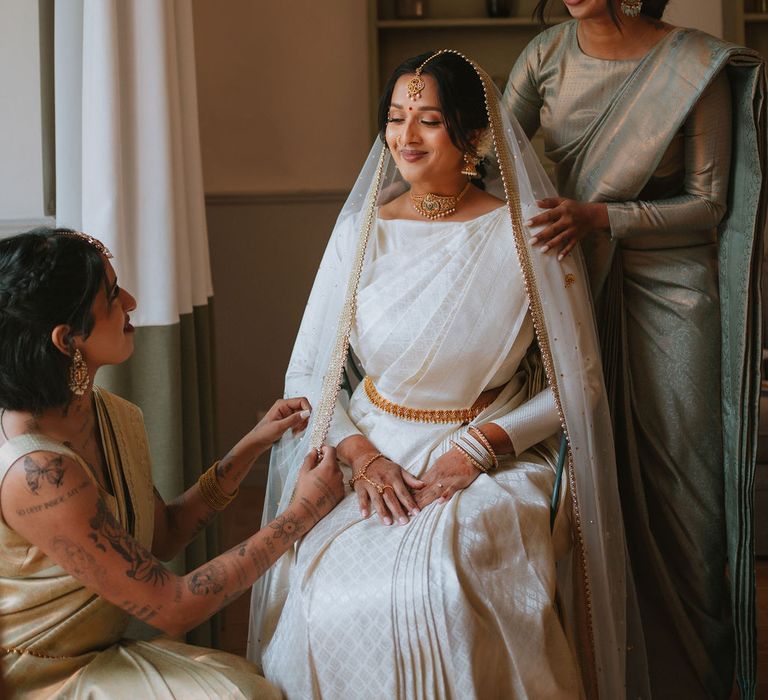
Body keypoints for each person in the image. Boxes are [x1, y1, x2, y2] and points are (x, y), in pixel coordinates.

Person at [248, 49, 640, 699]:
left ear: (476, 135)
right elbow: (309, 371)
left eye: (428, 120)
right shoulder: (361, 231)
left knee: (451, 587)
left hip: (489, 449)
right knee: (327, 591)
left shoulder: (526, 233)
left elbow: (581, 385)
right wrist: (362, 457)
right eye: (396, 118)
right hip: (370, 449)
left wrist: (479, 448)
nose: (405, 136)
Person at [503, 1, 767, 697]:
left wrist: (599, 216)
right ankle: (602, 671)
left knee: (687, 490)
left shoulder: (692, 64)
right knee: (589, 473)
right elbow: (498, 157)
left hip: (673, 294)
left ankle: (696, 677)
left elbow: (710, 204)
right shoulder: (545, 55)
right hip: (572, 284)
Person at [0, 228, 345, 698]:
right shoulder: (38, 474)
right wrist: (301, 515)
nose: (131, 301)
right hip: (43, 677)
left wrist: (249, 448)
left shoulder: (109, 413)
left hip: (100, 652)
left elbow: (162, 533)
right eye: (111, 295)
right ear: (67, 340)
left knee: (259, 682)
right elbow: (172, 607)